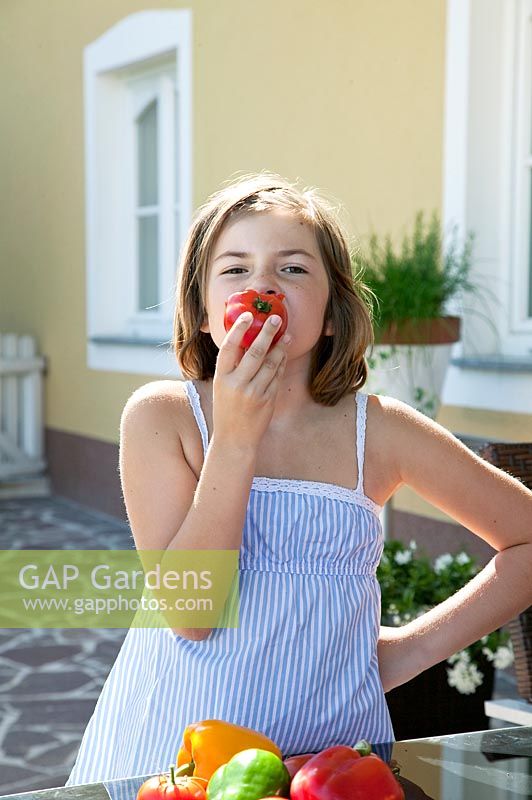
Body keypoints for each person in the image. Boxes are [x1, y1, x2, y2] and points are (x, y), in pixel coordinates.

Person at [65, 172, 532, 786]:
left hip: (331, 755)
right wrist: (235, 439)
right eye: (235, 270)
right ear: (203, 313)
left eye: (292, 269)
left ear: (334, 313)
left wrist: (407, 652)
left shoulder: (383, 432)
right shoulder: (164, 419)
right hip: (175, 753)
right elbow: (191, 611)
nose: (262, 284)